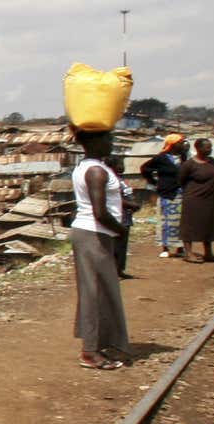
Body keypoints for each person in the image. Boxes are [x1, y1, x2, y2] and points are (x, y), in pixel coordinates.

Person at [68, 128, 131, 370]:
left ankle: (98, 343)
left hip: (92, 233)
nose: (111, 143)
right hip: (94, 233)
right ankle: (90, 352)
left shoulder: (88, 166)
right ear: (94, 142)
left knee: (101, 291)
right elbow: (100, 212)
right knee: (94, 293)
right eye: (107, 138)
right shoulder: (95, 171)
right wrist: (121, 230)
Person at [139, 134, 188, 257]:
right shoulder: (161, 158)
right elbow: (145, 168)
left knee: (180, 221)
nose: (182, 145)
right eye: (180, 142)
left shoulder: (183, 157)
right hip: (167, 193)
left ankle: (179, 247)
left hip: (181, 193)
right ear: (172, 144)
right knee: (165, 220)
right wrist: (154, 182)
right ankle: (165, 247)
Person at [178, 138, 214, 262]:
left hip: (210, 200)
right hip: (194, 200)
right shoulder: (189, 164)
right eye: (207, 147)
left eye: (210, 147)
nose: (209, 150)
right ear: (198, 148)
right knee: (190, 225)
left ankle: (208, 253)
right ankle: (188, 253)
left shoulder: (212, 162)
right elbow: (181, 180)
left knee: (209, 224)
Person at [108, 155, 138, 277]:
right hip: (117, 215)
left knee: (122, 245)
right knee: (115, 245)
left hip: (126, 215)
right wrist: (131, 205)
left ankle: (119, 270)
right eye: (120, 164)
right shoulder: (111, 180)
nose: (122, 166)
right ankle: (113, 271)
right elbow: (116, 199)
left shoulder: (121, 179)